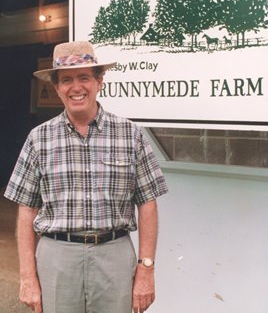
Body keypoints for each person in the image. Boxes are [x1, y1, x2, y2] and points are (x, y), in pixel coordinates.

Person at [4, 41, 168, 313]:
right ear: (56, 87)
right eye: (66, 80)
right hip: (57, 259)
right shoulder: (38, 139)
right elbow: (26, 211)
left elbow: (148, 204)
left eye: (84, 77)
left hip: (114, 256)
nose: (76, 87)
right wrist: (27, 276)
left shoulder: (130, 135)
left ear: (99, 81)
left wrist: (146, 267)